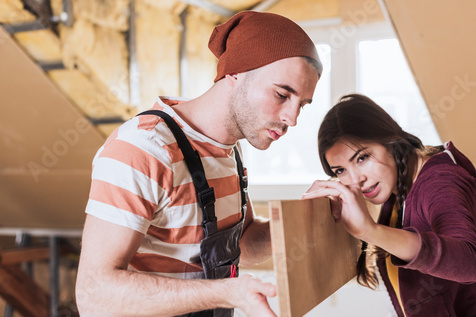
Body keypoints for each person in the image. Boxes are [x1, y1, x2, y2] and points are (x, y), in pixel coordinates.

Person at [76, 10, 322, 317]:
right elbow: (93, 294)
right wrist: (229, 292)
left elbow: (242, 244)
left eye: (302, 104)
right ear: (235, 73)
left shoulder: (228, 151)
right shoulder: (142, 149)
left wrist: (309, 217)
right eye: (282, 94)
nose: (292, 118)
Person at [303, 94, 476, 316]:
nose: (356, 180)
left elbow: (471, 262)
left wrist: (370, 231)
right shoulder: (399, 185)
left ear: (390, 142)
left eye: (362, 158)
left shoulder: (440, 182)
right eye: (340, 170)